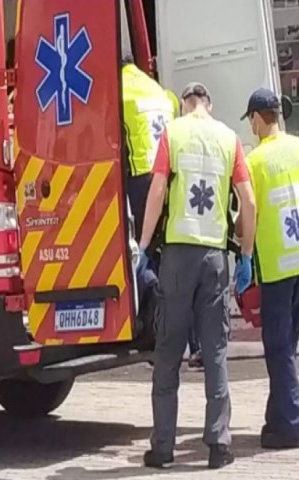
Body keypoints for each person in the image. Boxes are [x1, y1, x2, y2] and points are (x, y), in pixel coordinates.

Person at [138, 82, 256, 469]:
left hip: (177, 257)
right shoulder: (229, 138)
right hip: (215, 258)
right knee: (216, 350)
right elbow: (249, 199)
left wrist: (142, 246)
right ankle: (219, 447)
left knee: (169, 350)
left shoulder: (172, 132)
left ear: (185, 105)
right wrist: (247, 252)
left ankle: (163, 448)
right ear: (209, 104)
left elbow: (157, 191)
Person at [240, 87, 299, 449]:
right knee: (289, 345)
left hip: (278, 268)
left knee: (278, 347)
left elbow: (248, 212)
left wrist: (244, 256)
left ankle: (290, 422)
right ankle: (278, 417)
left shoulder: (255, 161)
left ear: (256, 120)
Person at [122, 53, 176, 243]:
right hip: (169, 174)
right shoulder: (155, 87)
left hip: (142, 177)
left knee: (141, 243)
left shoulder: (118, 88)